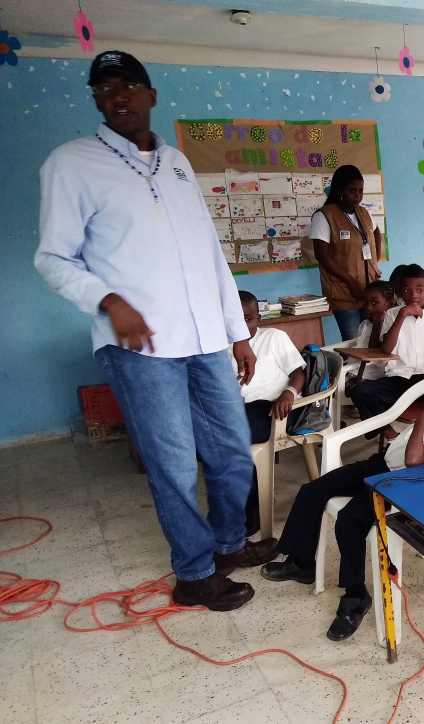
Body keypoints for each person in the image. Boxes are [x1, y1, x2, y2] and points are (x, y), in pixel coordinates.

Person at [33, 51, 275, 610]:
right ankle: (193, 574)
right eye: (104, 88)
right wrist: (108, 299)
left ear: (151, 96)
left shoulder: (177, 164)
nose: (117, 96)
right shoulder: (71, 164)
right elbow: (53, 258)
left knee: (233, 451)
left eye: (128, 86)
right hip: (140, 348)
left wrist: (237, 332)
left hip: (207, 340)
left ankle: (229, 544)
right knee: (171, 463)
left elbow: (210, 254)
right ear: (96, 99)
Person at [262, 361, 424, 640]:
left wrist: (423, 417)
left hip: (394, 485)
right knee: (312, 490)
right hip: (378, 464)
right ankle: (302, 563)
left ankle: (356, 595)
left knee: (350, 520)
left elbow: (412, 461)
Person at [349, 264, 424, 424]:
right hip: (400, 379)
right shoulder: (392, 314)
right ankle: (390, 436)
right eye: (407, 290)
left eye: (419, 290)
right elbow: (387, 348)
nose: (413, 295)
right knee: (360, 391)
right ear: (399, 292)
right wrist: (403, 314)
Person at [236, 291, 305, 537]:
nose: (243, 326)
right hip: (238, 408)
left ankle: (250, 514)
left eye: (249, 319)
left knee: (236, 443)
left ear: (259, 319)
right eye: (236, 319)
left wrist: (288, 393)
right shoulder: (222, 346)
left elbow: (299, 373)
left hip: (274, 407)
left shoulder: (274, 337)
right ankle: (235, 509)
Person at [309, 165, 383, 341]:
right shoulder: (324, 216)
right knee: (352, 341)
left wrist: (375, 260)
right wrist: (350, 281)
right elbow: (322, 255)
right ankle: (351, 370)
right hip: (343, 292)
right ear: (339, 190)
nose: (357, 195)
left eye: (360, 191)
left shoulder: (364, 213)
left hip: (369, 291)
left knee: (371, 339)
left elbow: (377, 231)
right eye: (352, 191)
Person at [342, 280, 395, 396]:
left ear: (390, 305)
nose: (368, 307)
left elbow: (374, 354)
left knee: (327, 387)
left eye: (375, 303)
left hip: (366, 376)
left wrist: (378, 323)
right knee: (317, 379)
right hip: (351, 370)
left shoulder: (390, 327)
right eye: (365, 302)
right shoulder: (365, 324)